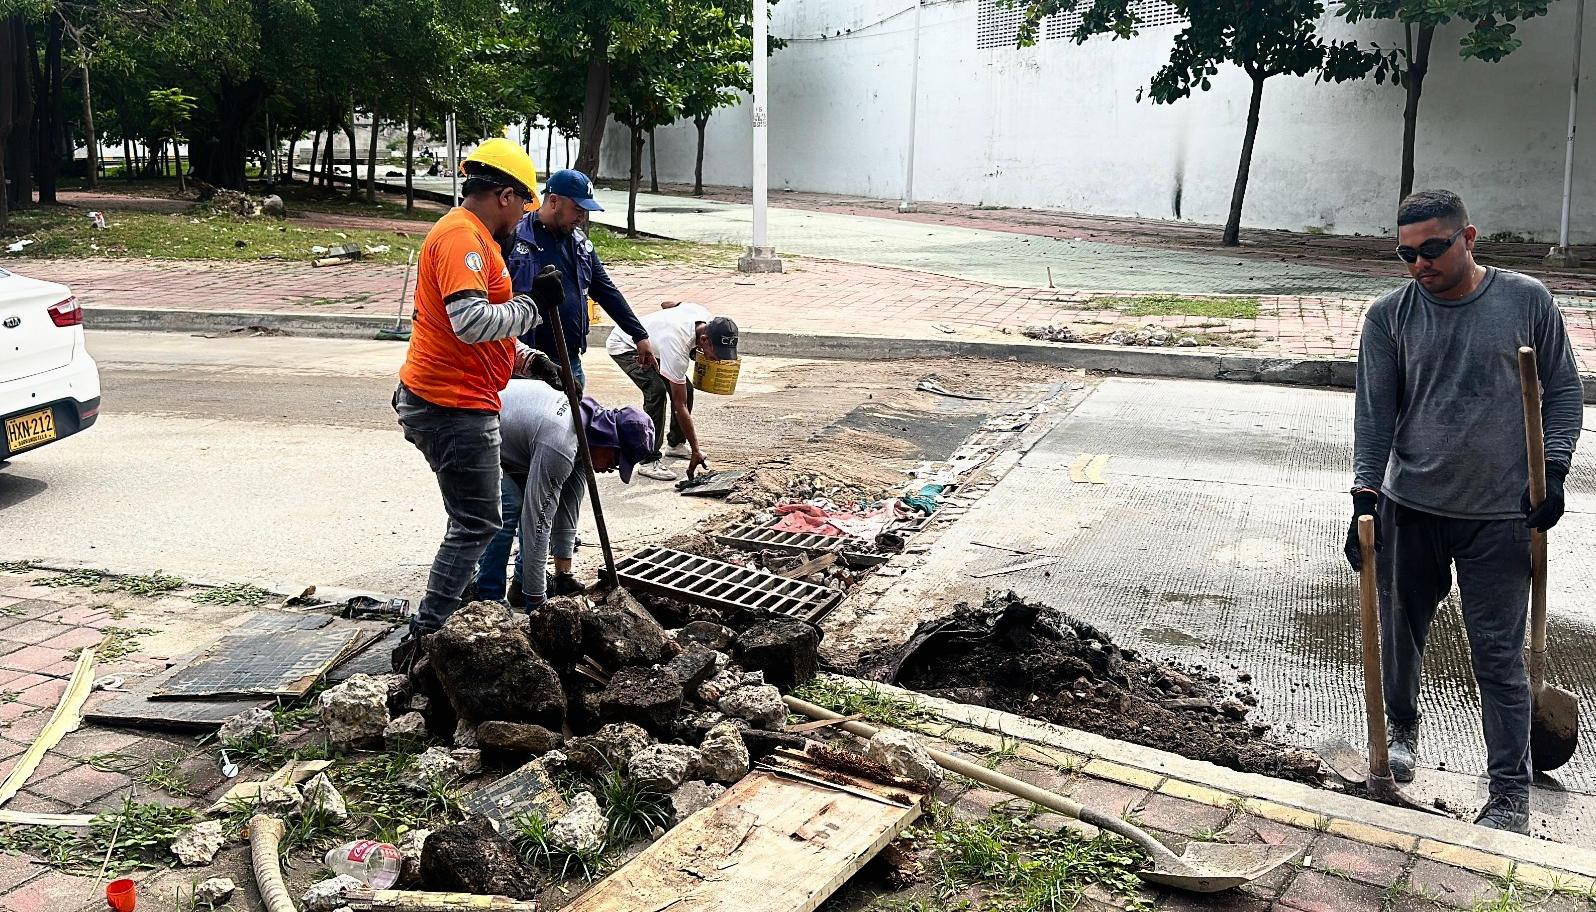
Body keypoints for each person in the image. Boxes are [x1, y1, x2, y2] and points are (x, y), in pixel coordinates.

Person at [1349, 189, 1582, 835]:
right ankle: (1402, 732)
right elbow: (1374, 417)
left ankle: (1508, 793)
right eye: (1406, 254)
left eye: (1432, 249)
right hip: (1410, 505)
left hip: (1500, 515)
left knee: (1498, 657)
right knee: (1400, 634)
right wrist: (1364, 496)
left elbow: (1562, 390)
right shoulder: (1388, 317)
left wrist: (1555, 471)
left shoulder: (1524, 300)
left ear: (1468, 237)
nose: (1419, 264)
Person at [393, 137, 559, 650]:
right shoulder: (462, 238)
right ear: (505, 195)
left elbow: (470, 334)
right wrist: (532, 307)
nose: (523, 218)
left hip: (459, 397)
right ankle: (430, 633)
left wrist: (525, 359)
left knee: (472, 517)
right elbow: (468, 322)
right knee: (477, 520)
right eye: (524, 205)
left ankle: (449, 616)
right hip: (451, 406)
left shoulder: (475, 240)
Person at [475, 380, 655, 608]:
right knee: (509, 506)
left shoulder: (586, 433)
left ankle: (521, 587)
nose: (612, 468)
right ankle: (488, 599)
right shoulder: (562, 444)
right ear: (610, 440)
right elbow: (537, 523)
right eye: (617, 461)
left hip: (508, 438)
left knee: (531, 503)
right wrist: (538, 604)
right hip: (470, 429)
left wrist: (563, 575)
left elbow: (567, 508)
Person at [509, 169, 655, 391]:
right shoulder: (515, 238)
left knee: (572, 424)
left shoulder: (579, 244)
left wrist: (639, 334)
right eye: (577, 209)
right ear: (554, 201)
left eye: (585, 210)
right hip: (526, 366)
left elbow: (606, 291)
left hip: (570, 362)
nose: (582, 217)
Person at [608, 301, 738, 482]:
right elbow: (680, 405)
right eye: (716, 354)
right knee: (656, 391)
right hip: (625, 344)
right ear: (704, 340)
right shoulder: (677, 345)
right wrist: (696, 450)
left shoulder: (703, 315)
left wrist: (659, 326)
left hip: (657, 344)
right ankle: (648, 459)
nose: (717, 359)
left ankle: (676, 443)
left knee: (687, 389)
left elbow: (668, 303)